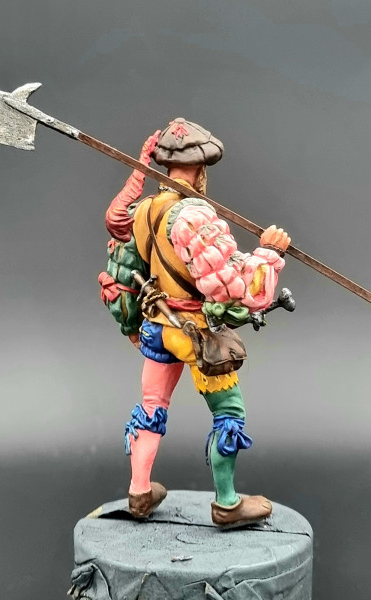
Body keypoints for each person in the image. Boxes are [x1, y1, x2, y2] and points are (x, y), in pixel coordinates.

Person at [100, 118, 290, 528]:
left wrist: (130, 325)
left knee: (151, 407)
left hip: (156, 327)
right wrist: (270, 254)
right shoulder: (193, 216)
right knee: (229, 413)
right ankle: (227, 504)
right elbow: (238, 289)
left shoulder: (145, 210)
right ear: (201, 170)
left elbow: (128, 269)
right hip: (193, 334)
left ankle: (139, 492)